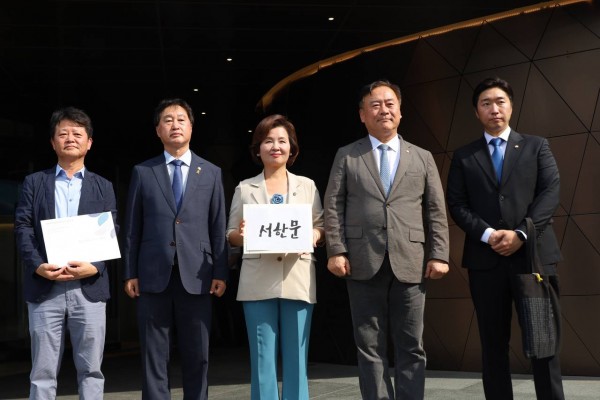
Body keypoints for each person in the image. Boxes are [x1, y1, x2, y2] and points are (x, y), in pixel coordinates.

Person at [324, 80, 450, 400]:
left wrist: (439, 254)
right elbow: (333, 205)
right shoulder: (347, 155)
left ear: (400, 111)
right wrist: (336, 249)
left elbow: (435, 209)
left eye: (390, 103)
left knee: (411, 344)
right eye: (375, 104)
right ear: (362, 114)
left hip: (411, 260)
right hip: (361, 260)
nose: (384, 110)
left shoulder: (421, 156)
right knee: (369, 345)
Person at [446, 77, 564, 400]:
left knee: (543, 344)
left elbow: (550, 194)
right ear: (476, 112)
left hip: (533, 260)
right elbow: (457, 204)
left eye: (500, 102)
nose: (494, 109)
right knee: (493, 345)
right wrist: (488, 235)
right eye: (486, 103)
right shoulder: (464, 156)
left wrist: (522, 233)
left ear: (511, 106)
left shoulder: (537, 146)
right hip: (486, 263)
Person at [122, 98, 228, 400]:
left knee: (198, 353)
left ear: (191, 127)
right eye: (167, 120)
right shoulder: (143, 171)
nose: (175, 125)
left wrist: (221, 272)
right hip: (152, 274)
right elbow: (132, 227)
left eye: (181, 119)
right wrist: (130, 272)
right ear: (158, 130)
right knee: (153, 355)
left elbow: (217, 225)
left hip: (198, 275)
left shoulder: (211, 172)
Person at [14, 107, 117, 399]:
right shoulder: (34, 182)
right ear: (53, 142)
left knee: (92, 370)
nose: (70, 138)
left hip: (89, 287)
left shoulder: (103, 186)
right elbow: (22, 227)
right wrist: (38, 265)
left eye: (77, 133)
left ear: (89, 142)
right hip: (45, 286)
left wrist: (96, 266)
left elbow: (111, 229)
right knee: (42, 373)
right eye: (63, 134)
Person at [226, 114, 325, 400]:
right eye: (268, 141)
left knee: (297, 359)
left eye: (282, 141)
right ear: (258, 149)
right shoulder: (245, 188)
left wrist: (313, 235)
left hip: (298, 278)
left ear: (292, 148)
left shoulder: (307, 186)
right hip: (257, 281)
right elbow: (230, 234)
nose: (275, 147)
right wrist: (242, 235)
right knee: (262, 360)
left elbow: (321, 226)